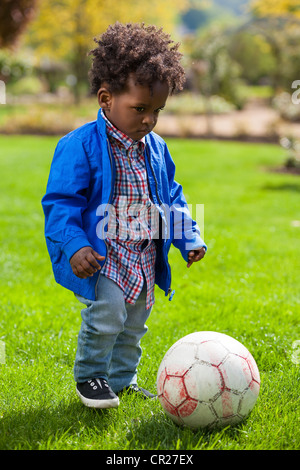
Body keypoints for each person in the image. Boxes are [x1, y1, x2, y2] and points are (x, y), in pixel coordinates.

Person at [42, 22, 207, 409]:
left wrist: (189, 237)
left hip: (143, 255)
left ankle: (122, 380)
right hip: (105, 254)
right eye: (140, 109)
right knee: (108, 316)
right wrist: (74, 245)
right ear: (105, 98)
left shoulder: (156, 148)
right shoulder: (80, 145)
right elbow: (61, 202)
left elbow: (172, 199)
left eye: (157, 111)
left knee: (134, 324)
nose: (149, 119)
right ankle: (92, 378)